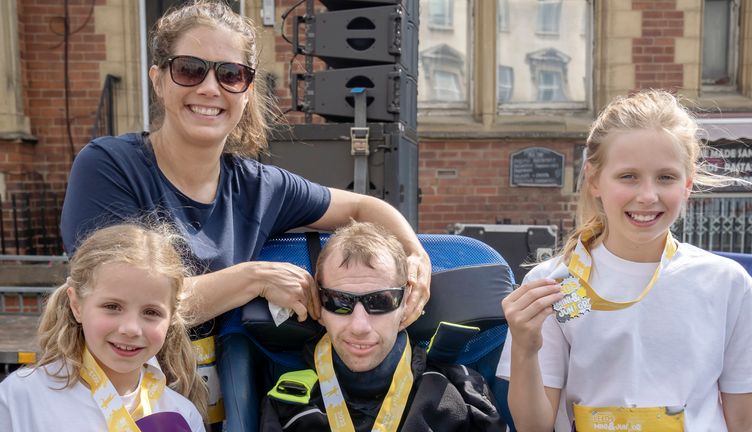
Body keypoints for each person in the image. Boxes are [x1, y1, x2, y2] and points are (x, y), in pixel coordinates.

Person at [59, 1, 430, 429]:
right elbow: (127, 303)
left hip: (218, 408)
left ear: (247, 90)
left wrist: (414, 254)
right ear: (158, 80)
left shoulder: (258, 185)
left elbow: (366, 207)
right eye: (190, 69)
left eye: (230, 74)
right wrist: (253, 279)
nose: (210, 88)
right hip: (110, 403)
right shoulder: (108, 166)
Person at [496, 89, 752, 432]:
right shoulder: (552, 282)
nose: (648, 196)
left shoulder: (727, 282)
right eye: (628, 176)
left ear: (687, 184)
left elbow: (746, 418)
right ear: (595, 180)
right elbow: (533, 425)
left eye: (666, 177)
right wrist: (524, 347)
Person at [260, 221, 507, 431]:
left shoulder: (463, 396)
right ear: (318, 303)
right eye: (338, 301)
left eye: (380, 301)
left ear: (407, 300)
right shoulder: (287, 405)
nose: (359, 326)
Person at [0, 224, 207, 432]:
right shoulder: (18, 400)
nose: (131, 329)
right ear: (76, 305)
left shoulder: (183, 416)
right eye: (112, 307)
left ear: (171, 317)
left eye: (151, 312)